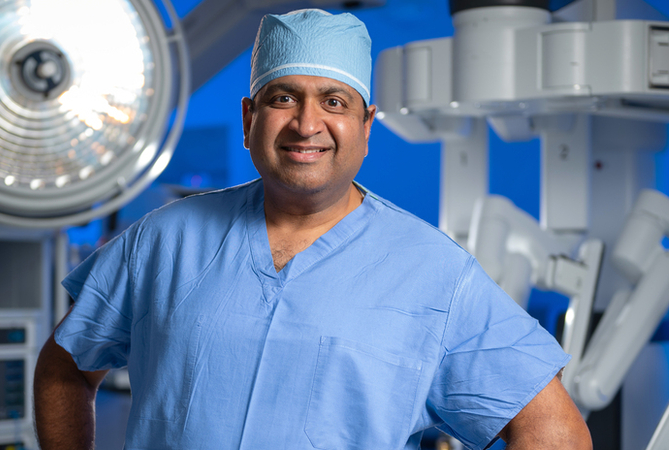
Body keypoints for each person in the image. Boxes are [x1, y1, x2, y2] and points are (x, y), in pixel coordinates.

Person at [34, 8, 591, 450]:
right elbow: (64, 366)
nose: (307, 123)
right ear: (251, 118)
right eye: (284, 98)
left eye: (334, 101)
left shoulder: (436, 273)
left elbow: (555, 434)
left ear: (366, 125)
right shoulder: (163, 241)